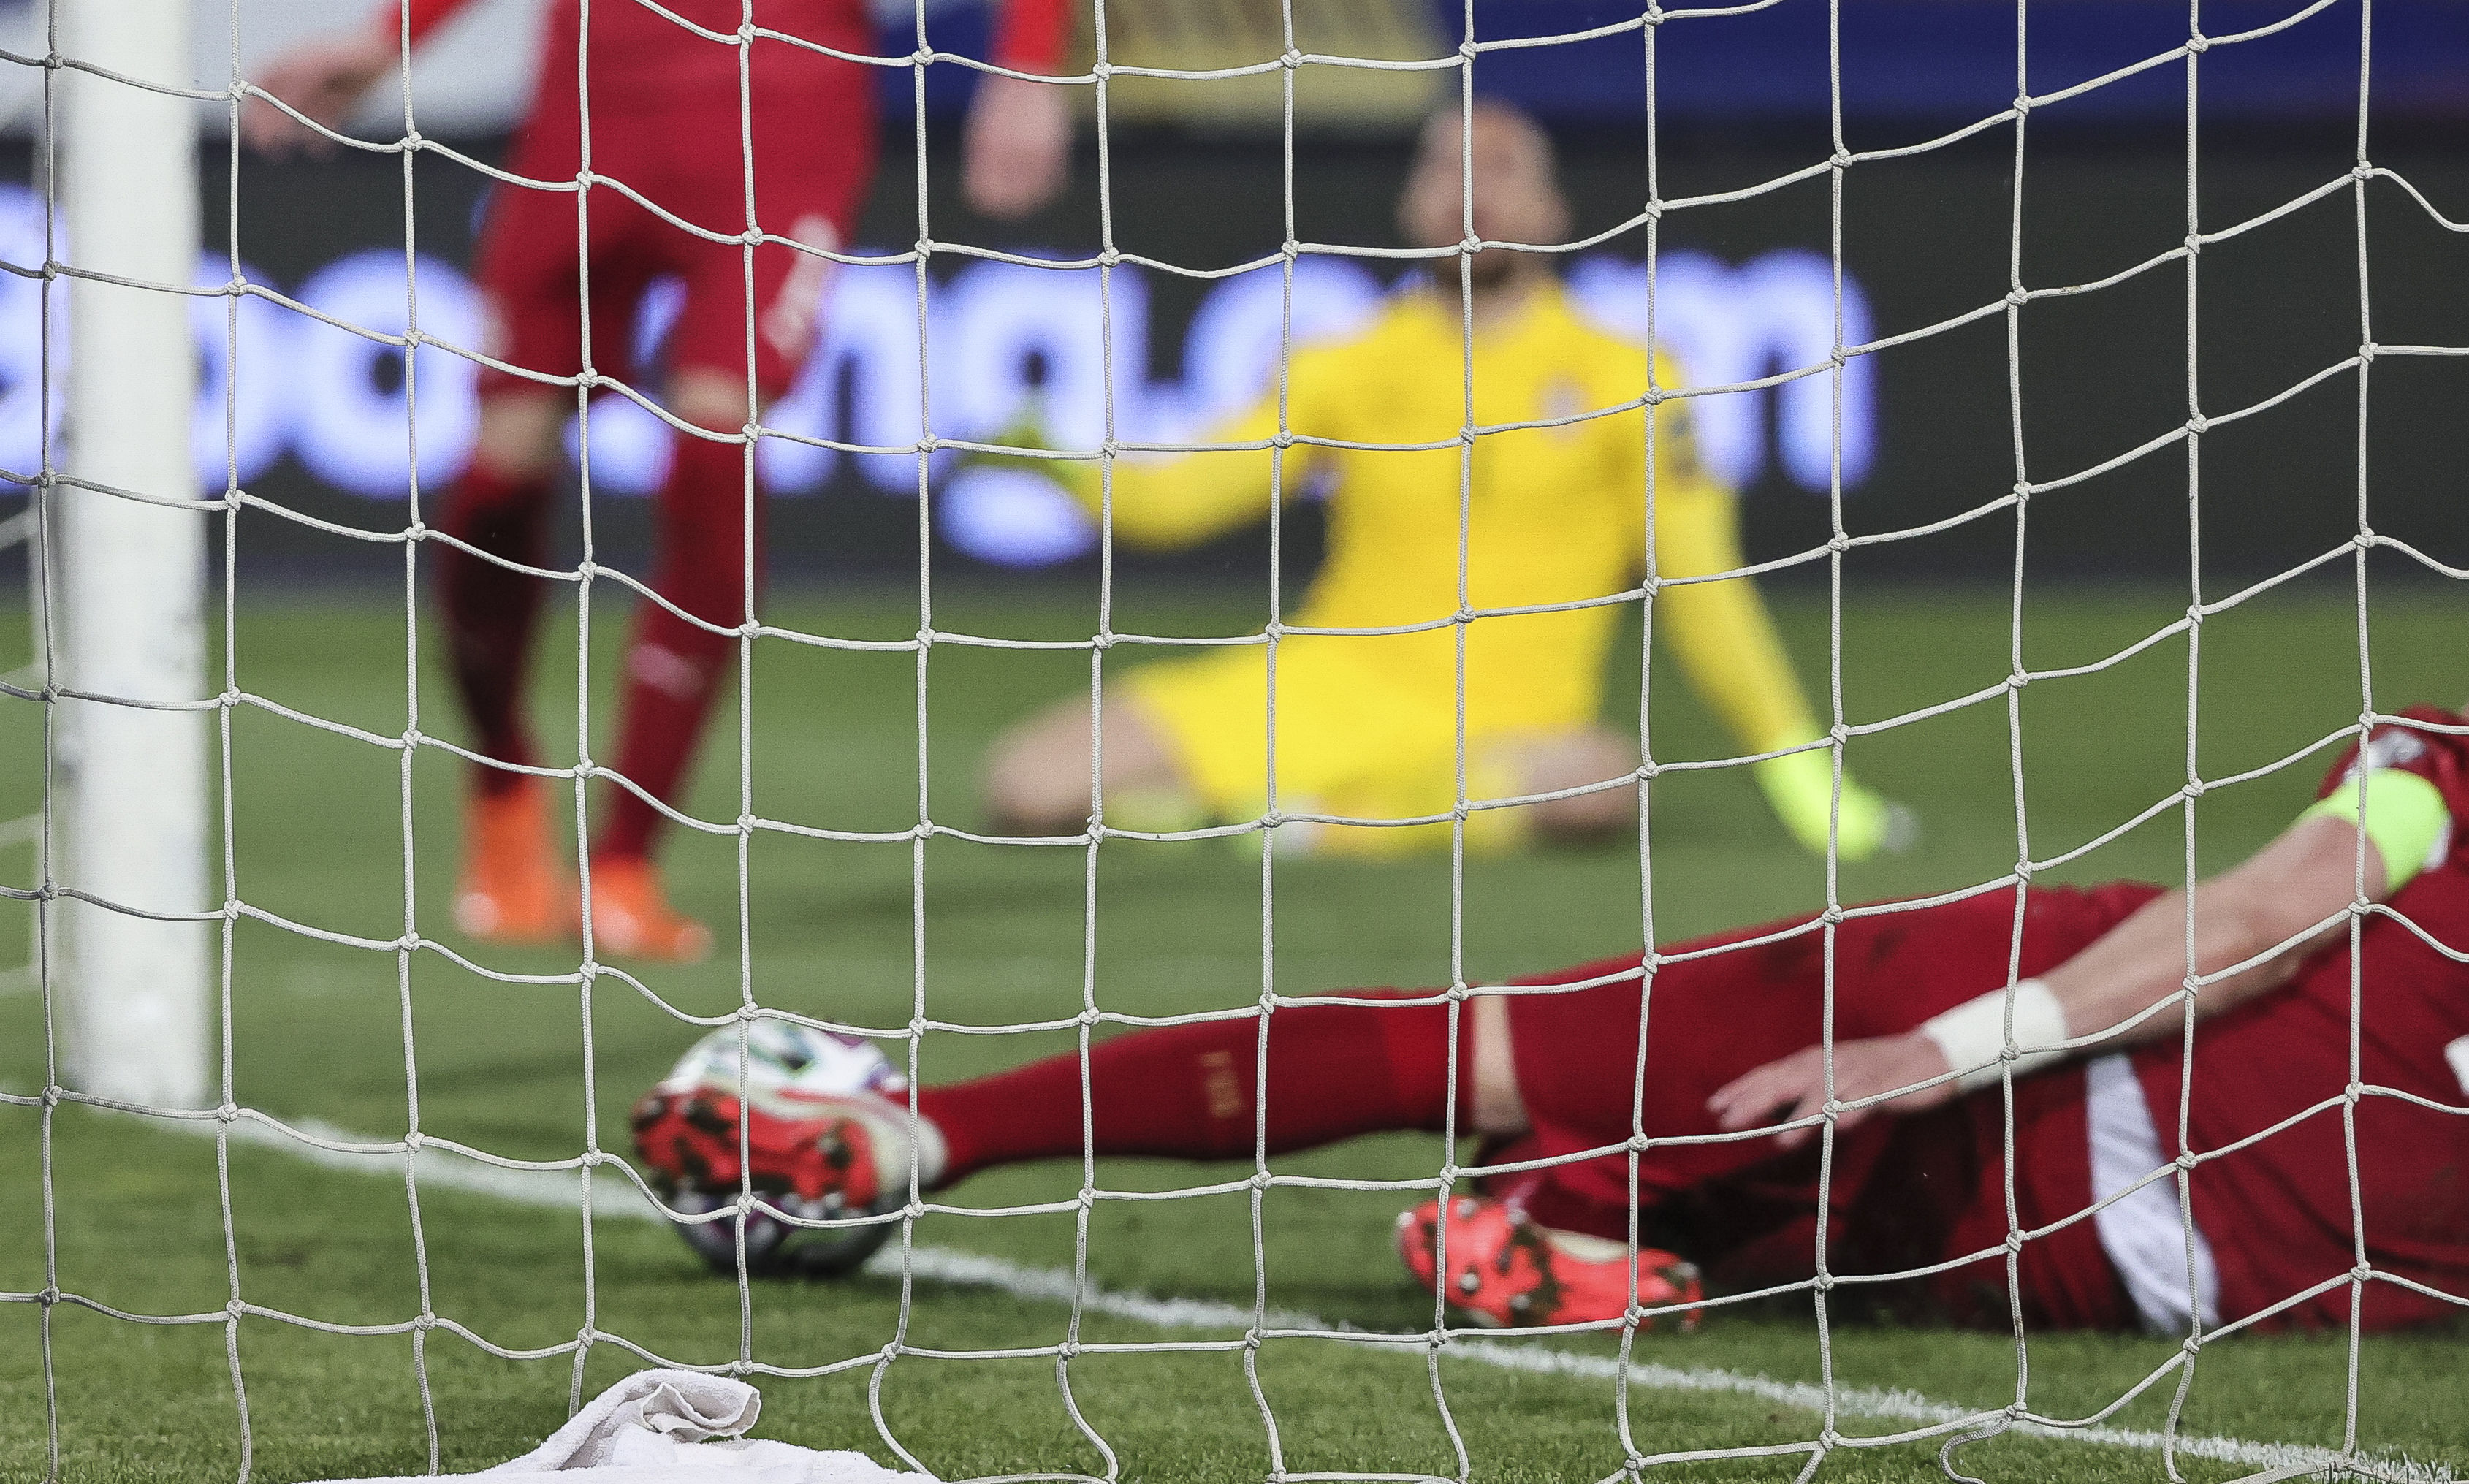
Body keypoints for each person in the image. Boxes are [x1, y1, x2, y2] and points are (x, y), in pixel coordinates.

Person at [636, 704, 2469, 1333]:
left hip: (2134, 1247)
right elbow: (2260, 917)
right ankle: (916, 1137)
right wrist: (1941, 1048)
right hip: (2059, 1053)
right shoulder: (2438, 784)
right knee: (1504, 1047)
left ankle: (1551, 1208)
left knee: (1582, 1110)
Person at [243, 0, 1077, 959]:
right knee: (501, 470)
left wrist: (1026, 64)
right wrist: (390, 35)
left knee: (716, 445)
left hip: (786, 98)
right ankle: (503, 776)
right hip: (595, 100)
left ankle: (623, 862)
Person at [978, 99, 1907, 860]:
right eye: (1445, 169)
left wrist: (1797, 766)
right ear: (1411, 204)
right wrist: (1060, 463)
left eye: (1499, 169)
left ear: (1552, 210)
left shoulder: (1635, 379)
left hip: (1506, 727)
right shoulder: (1345, 365)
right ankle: (1306, 817)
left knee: (1601, 783)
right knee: (1024, 785)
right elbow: (1182, 498)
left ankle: (1287, 826)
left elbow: (1703, 584)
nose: (1469, 194)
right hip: (1325, 682)